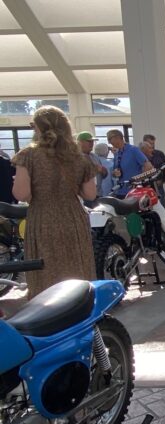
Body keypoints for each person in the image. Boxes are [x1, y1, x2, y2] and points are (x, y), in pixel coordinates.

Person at [11, 106, 96, 299]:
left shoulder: (28, 155)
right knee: (77, 267)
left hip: (43, 218)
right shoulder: (79, 157)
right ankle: (79, 306)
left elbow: (21, 194)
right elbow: (90, 194)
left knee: (46, 271)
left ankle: (48, 310)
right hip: (73, 218)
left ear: (39, 127)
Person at [106, 129, 153, 197]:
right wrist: (115, 173)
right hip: (120, 191)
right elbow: (114, 172)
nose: (109, 142)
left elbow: (149, 167)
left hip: (133, 192)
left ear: (118, 137)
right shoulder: (117, 153)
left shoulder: (133, 150)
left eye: (109, 139)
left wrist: (138, 181)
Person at [76, 131, 108, 196]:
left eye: (92, 141)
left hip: (98, 194)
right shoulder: (74, 157)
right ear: (80, 142)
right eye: (89, 141)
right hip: (83, 196)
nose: (92, 144)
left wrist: (103, 170)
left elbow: (105, 174)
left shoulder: (95, 157)